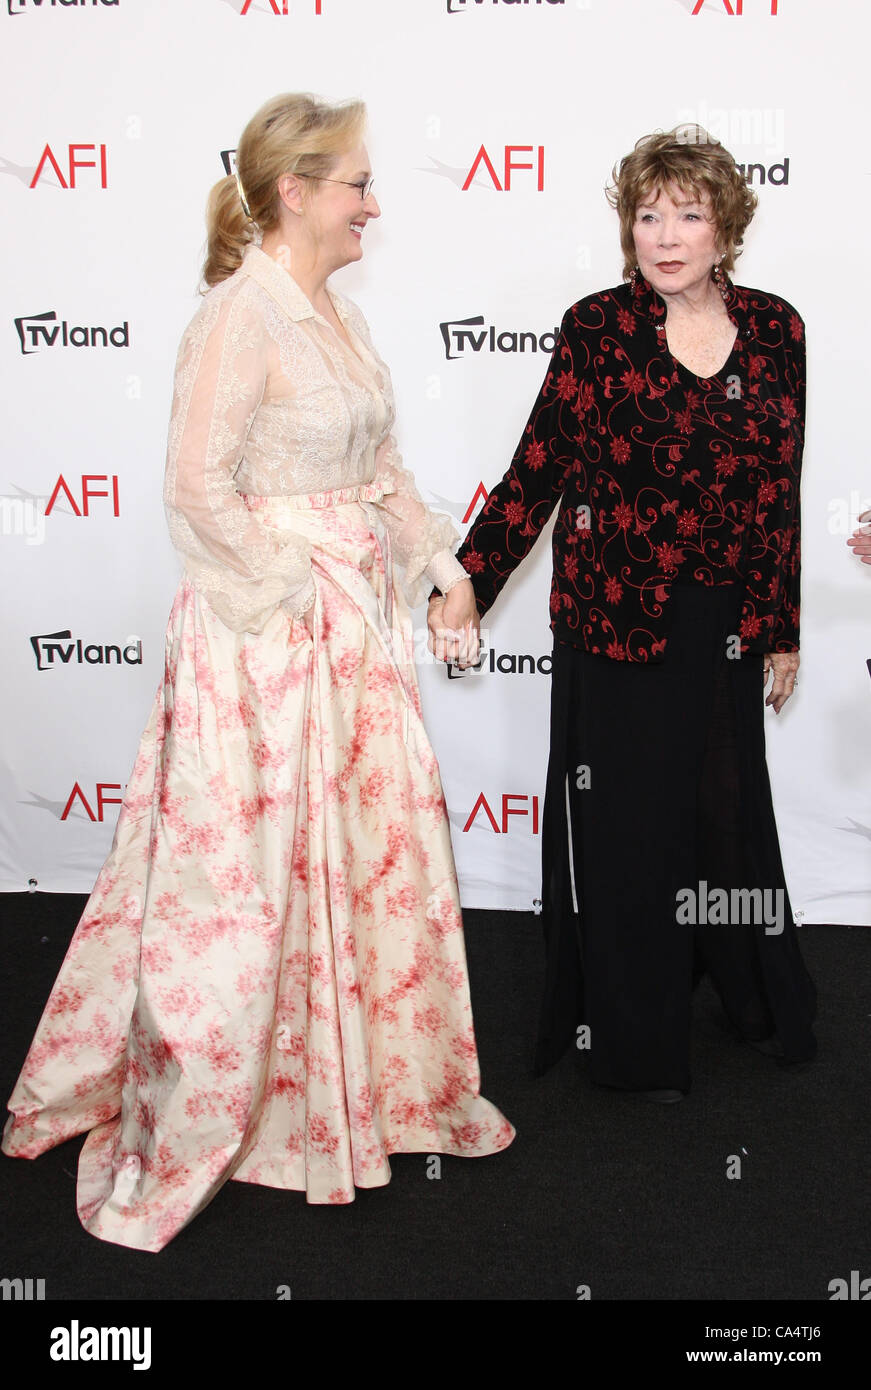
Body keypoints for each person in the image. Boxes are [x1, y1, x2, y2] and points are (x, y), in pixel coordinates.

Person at [2, 93, 513, 1251]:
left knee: (359, 859)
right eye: (358, 185)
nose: (373, 204)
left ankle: (361, 1091)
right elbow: (195, 486)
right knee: (243, 881)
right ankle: (246, 1104)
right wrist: (293, 593)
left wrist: (444, 565)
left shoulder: (333, 316)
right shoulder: (238, 318)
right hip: (265, 640)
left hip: (353, 638)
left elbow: (381, 466)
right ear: (297, 192)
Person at [430, 125, 816, 1102]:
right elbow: (540, 466)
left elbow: (780, 484)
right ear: (626, 230)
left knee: (725, 819)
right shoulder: (598, 328)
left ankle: (746, 991)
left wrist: (778, 623)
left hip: (724, 624)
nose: (666, 234)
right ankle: (635, 1036)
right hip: (617, 625)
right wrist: (467, 573)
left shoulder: (777, 330)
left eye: (688, 213)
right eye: (647, 215)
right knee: (632, 830)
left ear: (725, 226)